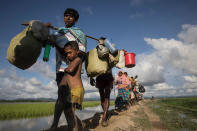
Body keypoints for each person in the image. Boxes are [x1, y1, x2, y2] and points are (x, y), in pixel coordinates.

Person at [44, 8, 86, 131]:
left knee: (64, 100)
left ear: (75, 19)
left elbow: (82, 53)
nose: (67, 18)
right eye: (65, 16)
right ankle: (73, 126)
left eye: (71, 16)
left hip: (71, 71)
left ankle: (56, 126)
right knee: (64, 101)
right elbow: (45, 43)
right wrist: (46, 29)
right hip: (60, 69)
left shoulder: (79, 34)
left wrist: (73, 65)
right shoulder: (58, 33)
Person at [58, 41, 85, 130]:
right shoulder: (73, 60)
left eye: (70, 52)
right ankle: (76, 126)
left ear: (77, 51)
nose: (68, 55)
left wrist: (65, 69)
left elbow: (71, 70)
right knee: (70, 110)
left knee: (71, 111)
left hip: (76, 90)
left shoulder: (77, 60)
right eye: (66, 54)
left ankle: (75, 128)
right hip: (75, 90)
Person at [90, 38, 114, 127]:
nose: (99, 42)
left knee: (107, 96)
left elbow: (114, 60)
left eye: (102, 41)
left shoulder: (109, 51)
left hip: (108, 76)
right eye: (99, 41)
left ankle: (104, 117)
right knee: (102, 98)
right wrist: (91, 77)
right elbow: (91, 65)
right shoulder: (95, 53)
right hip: (99, 77)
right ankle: (106, 112)